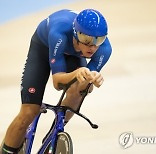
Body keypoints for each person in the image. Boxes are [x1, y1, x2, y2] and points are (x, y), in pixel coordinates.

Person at [1, 8, 112, 153]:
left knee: (80, 90)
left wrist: (92, 80)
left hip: (73, 53)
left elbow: (84, 85)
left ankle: (53, 134)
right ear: (75, 33)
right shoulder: (58, 33)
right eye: (87, 40)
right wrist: (77, 73)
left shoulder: (104, 49)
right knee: (29, 112)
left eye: (99, 40)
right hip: (43, 47)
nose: (92, 46)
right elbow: (58, 83)